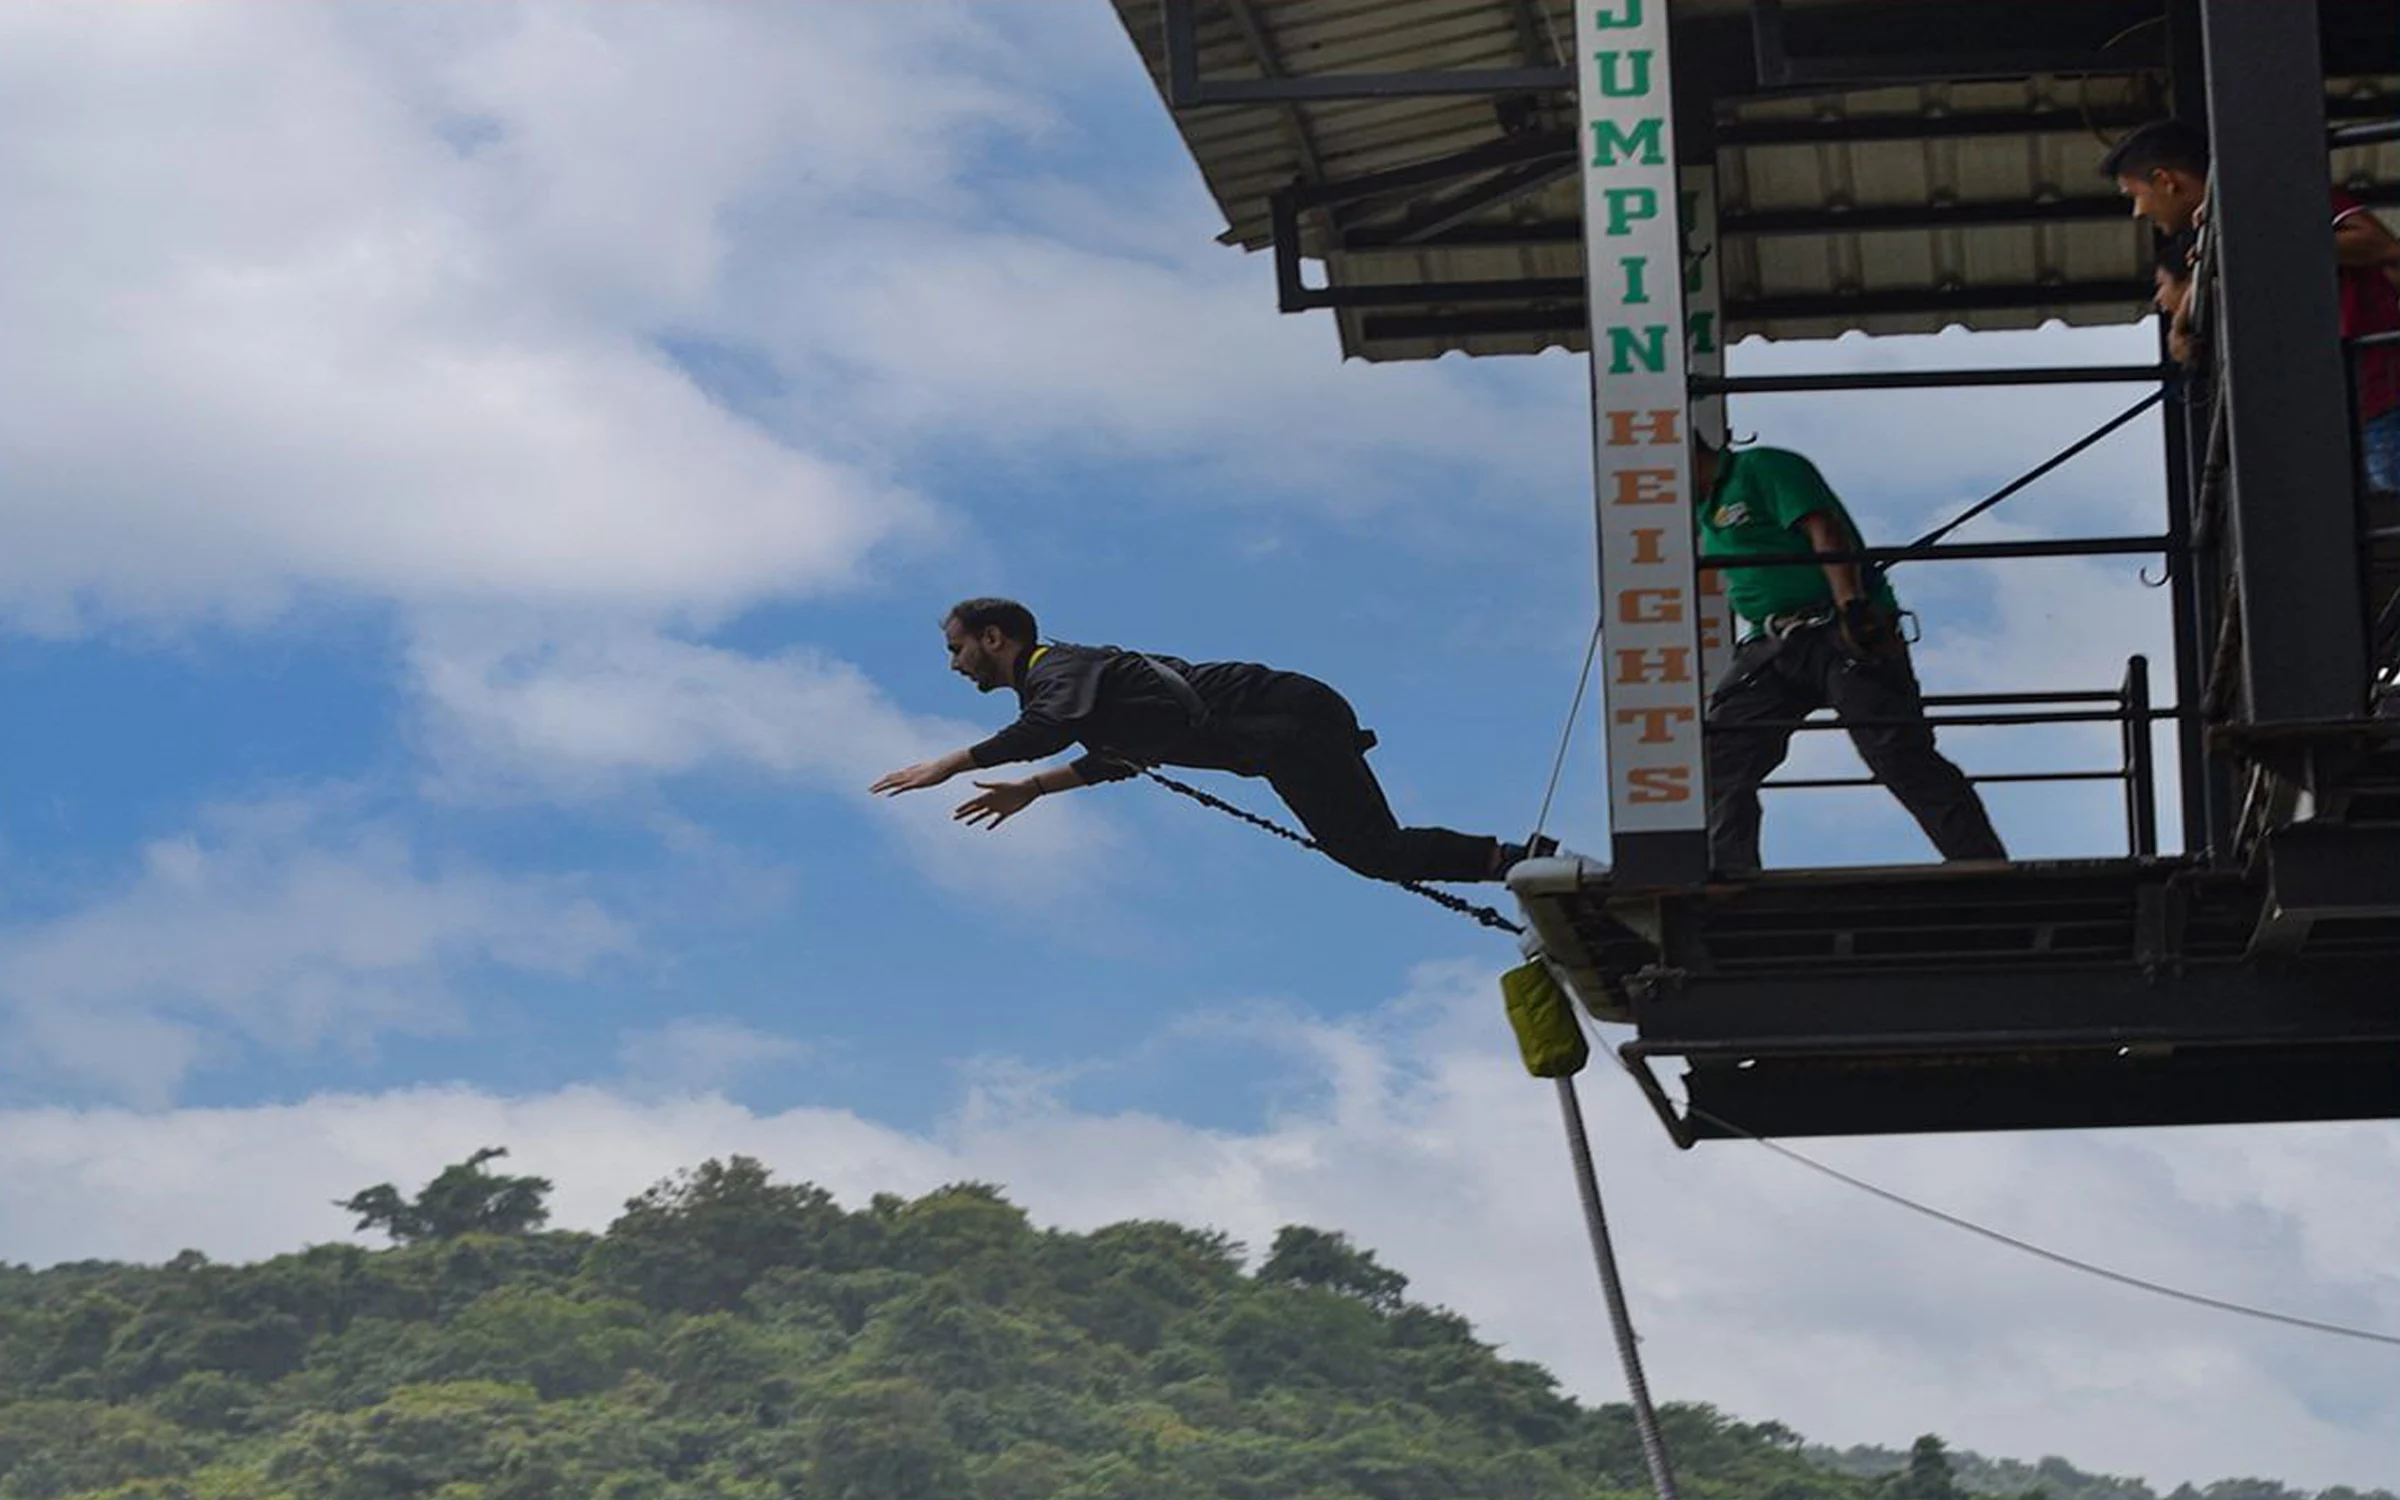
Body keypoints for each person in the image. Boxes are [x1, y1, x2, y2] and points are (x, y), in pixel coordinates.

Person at [870, 598, 1548, 883]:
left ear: (995, 637)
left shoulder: (1058, 668)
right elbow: (1118, 758)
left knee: (1370, 851)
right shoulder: (1066, 693)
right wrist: (1033, 789)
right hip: (1284, 729)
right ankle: (1519, 862)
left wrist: (949, 764)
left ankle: (1522, 862)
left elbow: (1045, 730)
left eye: (957, 648)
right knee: (1372, 853)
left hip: (1285, 715)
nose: (954, 664)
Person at [1696, 441, 2008, 874]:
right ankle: (1729, 873)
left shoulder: (1762, 467)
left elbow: (1823, 529)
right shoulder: (1703, 508)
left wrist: (1853, 607)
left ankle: (1983, 867)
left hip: (1836, 628)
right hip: (1773, 640)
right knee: (1723, 752)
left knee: (1897, 753)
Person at [2102, 118, 2400, 491]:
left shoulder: (2277, 195)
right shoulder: (2216, 236)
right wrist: (2183, 326)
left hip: (2381, 396)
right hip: (2338, 413)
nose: (2137, 211)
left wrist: (2252, 239)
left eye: (2134, 195)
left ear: (2166, 180)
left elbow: (2379, 244)